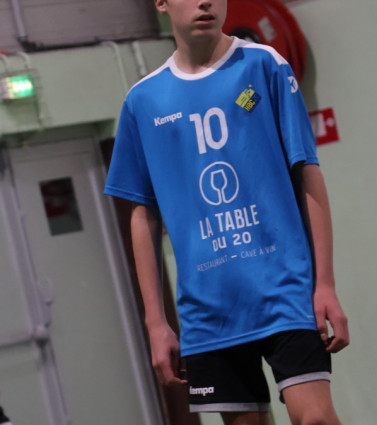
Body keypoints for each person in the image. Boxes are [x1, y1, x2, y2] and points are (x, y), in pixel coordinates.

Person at [104, 0, 349, 424]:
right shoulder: (142, 101)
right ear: (160, 3)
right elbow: (143, 216)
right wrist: (156, 323)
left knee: (315, 419)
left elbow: (307, 174)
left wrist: (324, 284)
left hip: (285, 292)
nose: (205, 1)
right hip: (208, 315)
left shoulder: (264, 65)